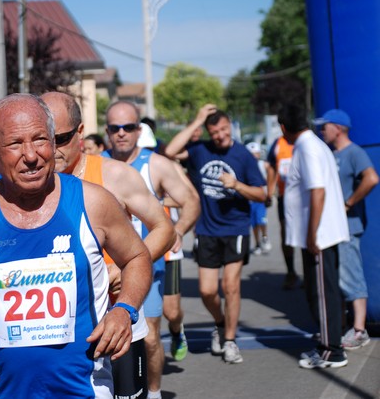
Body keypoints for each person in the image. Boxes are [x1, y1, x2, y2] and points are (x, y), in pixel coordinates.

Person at [0, 94, 152, 398]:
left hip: (86, 390)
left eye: (40, 140)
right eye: (14, 144)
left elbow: (137, 257)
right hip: (2, 391)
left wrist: (124, 309)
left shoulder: (93, 202)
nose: (31, 155)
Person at [42, 91, 187, 399]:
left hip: (117, 315)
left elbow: (164, 227)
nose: (52, 149)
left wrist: (129, 266)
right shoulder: (28, 185)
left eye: (62, 138)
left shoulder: (115, 175)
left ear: (81, 133)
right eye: (44, 139)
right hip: (55, 324)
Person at [103, 101, 200, 398]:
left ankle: (154, 392)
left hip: (149, 265)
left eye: (128, 128)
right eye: (114, 128)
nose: (121, 134)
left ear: (139, 130)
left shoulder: (155, 164)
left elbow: (191, 200)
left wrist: (178, 231)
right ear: (106, 131)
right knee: (109, 340)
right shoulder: (96, 165)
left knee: (150, 337)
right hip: (104, 271)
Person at [163, 104, 266, 364]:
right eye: (214, 131)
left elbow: (262, 194)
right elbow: (171, 151)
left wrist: (238, 185)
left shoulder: (243, 155)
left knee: (230, 286)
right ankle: (219, 323)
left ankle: (230, 340)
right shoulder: (201, 150)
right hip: (207, 230)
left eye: (223, 129)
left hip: (236, 228)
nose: (219, 135)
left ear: (229, 126)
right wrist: (196, 119)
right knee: (207, 291)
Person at [278, 104, 349, 369]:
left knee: (322, 294)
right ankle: (327, 341)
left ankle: (332, 350)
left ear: (284, 128)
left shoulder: (307, 148)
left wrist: (312, 234)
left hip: (318, 237)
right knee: (321, 291)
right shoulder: (315, 144)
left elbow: (317, 191)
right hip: (320, 234)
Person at [318, 108, 378, 349]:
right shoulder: (332, 153)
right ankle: (342, 326)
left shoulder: (354, 152)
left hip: (348, 227)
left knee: (350, 274)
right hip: (332, 228)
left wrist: (349, 203)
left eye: (325, 126)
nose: (322, 131)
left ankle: (359, 330)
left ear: (339, 128)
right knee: (338, 277)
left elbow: (372, 178)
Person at [266, 135, 299, 289]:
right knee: (286, 235)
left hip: (303, 197)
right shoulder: (278, 143)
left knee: (307, 235)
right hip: (284, 197)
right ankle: (291, 272)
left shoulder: (304, 140)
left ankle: (310, 273)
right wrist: (270, 191)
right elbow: (272, 167)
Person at [246, 142, 272, 255]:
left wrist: (269, 193)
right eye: (251, 154)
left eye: (255, 153)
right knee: (254, 223)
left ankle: (265, 237)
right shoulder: (244, 166)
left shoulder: (262, 164)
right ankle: (257, 243)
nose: (254, 156)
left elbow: (272, 171)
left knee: (261, 220)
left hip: (260, 198)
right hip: (250, 199)